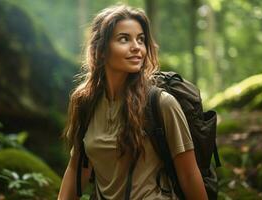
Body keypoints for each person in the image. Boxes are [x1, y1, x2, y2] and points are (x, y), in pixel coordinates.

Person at [58, 4, 207, 200]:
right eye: (124, 39)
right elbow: (77, 169)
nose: (136, 47)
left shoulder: (161, 103)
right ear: (101, 50)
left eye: (141, 39)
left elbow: (188, 175)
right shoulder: (85, 102)